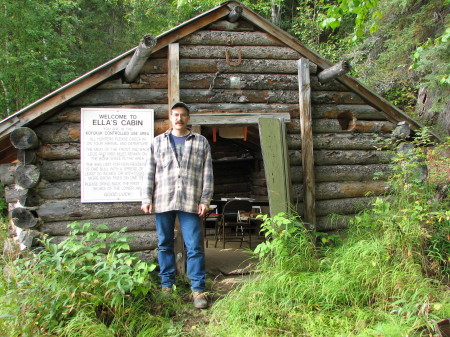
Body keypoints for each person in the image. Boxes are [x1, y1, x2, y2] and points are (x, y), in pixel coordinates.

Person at [141, 101, 213, 309]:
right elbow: (149, 172)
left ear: (188, 118)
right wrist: (147, 198)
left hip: (190, 200)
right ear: (170, 118)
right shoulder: (157, 142)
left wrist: (205, 199)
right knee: (164, 243)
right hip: (163, 199)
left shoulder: (201, 142)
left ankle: (198, 290)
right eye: (175, 115)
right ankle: (166, 286)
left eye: (182, 115)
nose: (179, 118)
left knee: (194, 246)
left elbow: (207, 173)